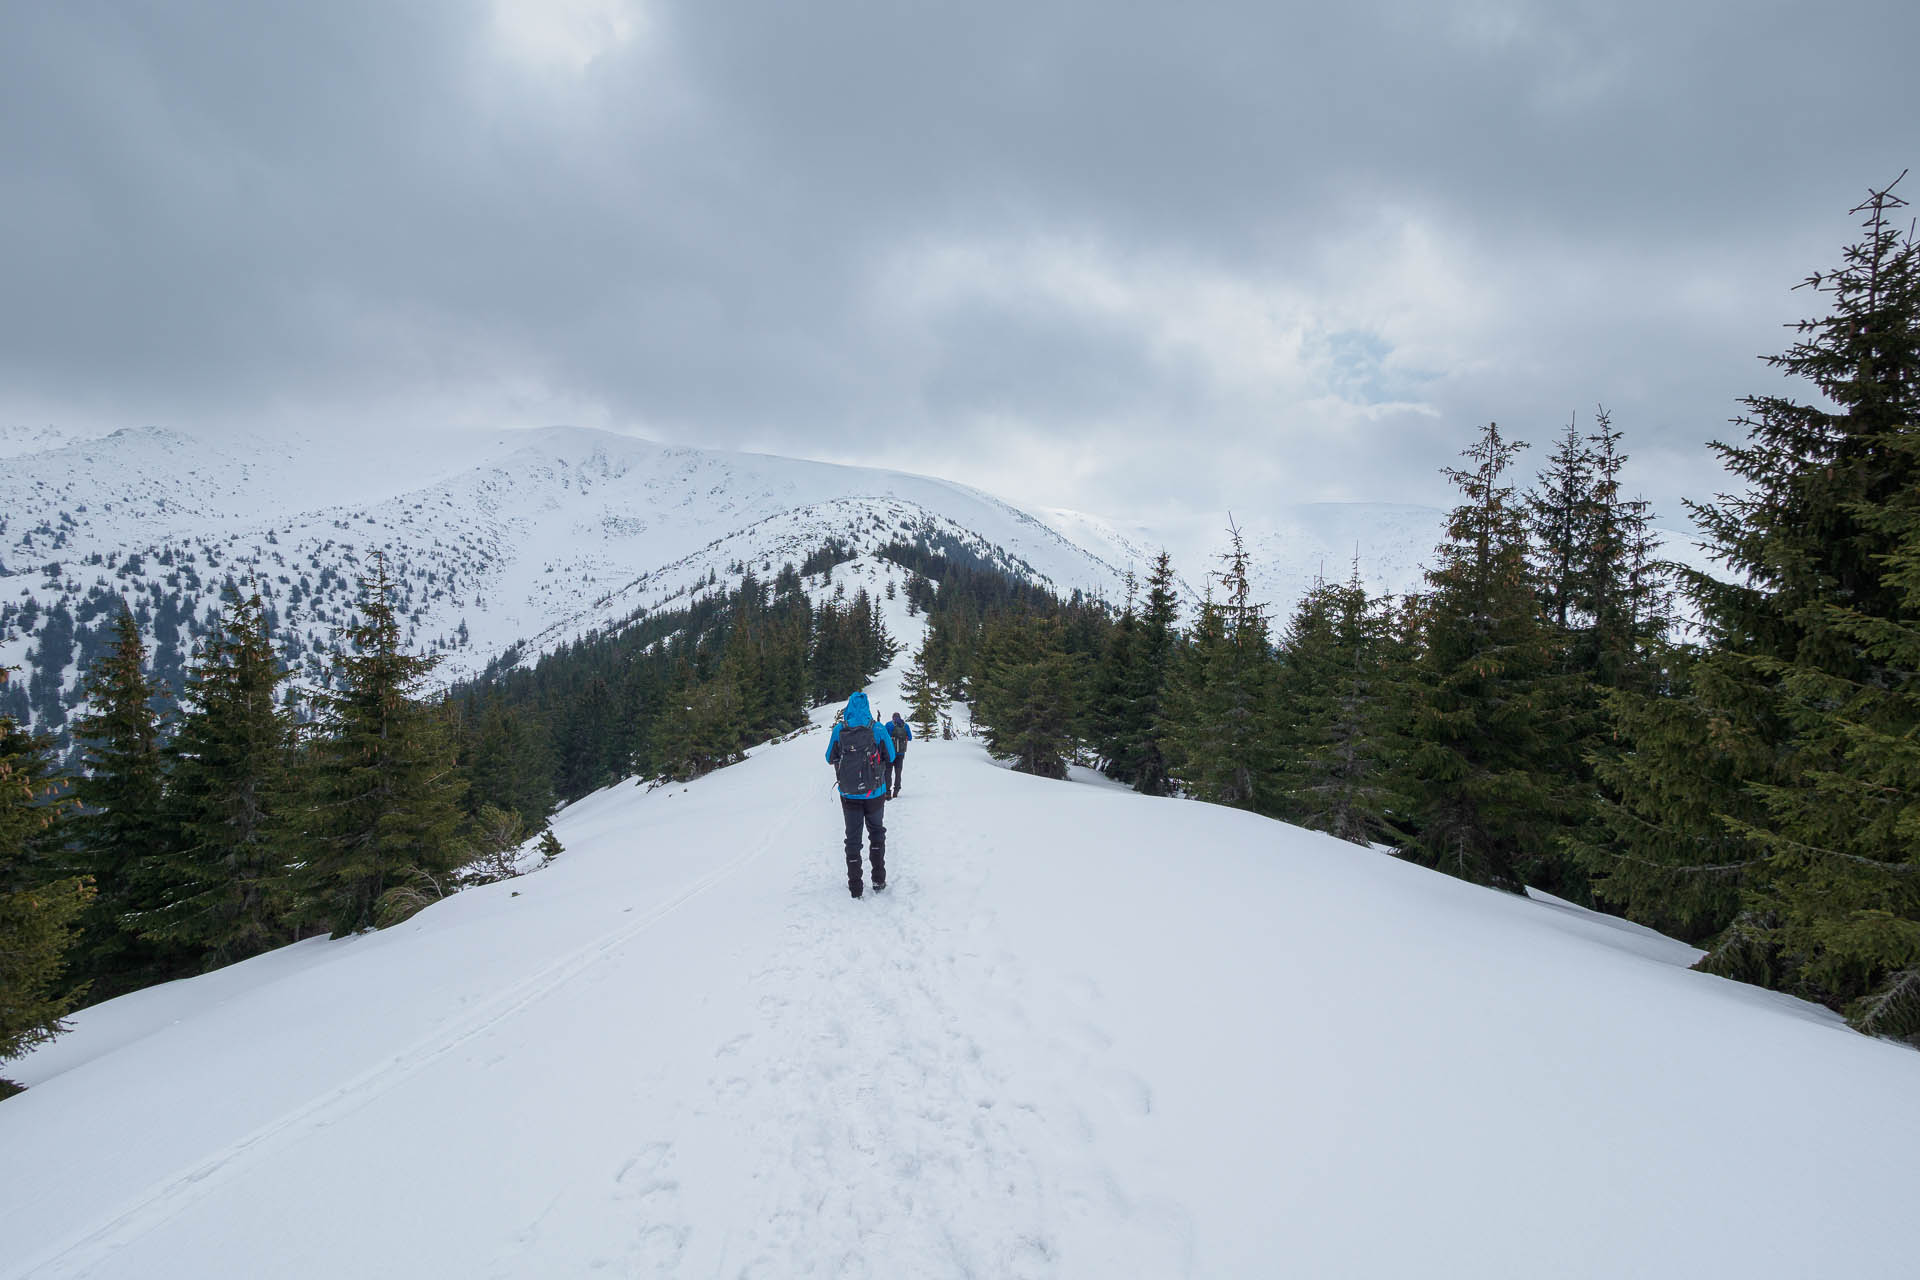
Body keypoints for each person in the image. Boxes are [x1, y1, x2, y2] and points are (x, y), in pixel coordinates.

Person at [825, 691, 897, 898]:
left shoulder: (840, 729)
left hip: (848, 794)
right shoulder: (877, 729)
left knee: (853, 838)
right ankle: (878, 879)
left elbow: (829, 757)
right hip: (875, 792)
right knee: (876, 833)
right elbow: (890, 756)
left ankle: (855, 886)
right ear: (867, 708)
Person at [885, 711, 912, 796]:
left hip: (890, 753)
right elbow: (910, 738)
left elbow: (884, 737)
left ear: (893, 718)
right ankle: (896, 790)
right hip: (901, 753)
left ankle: (887, 791)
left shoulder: (889, 725)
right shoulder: (905, 725)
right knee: (898, 772)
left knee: (888, 772)